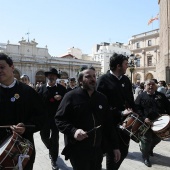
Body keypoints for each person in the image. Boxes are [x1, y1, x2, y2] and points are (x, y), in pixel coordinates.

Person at [55, 65, 121, 170]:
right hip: (78, 150)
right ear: (80, 80)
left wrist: (115, 146)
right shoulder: (70, 96)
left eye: (94, 76)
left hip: (97, 150)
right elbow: (59, 119)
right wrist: (74, 131)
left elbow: (109, 124)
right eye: (88, 76)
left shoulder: (102, 98)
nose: (92, 79)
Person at [0, 53, 47, 170]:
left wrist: (26, 127)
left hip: (22, 150)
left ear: (12, 67)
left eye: (2, 67)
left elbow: (42, 117)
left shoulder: (28, 92)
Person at [96, 53, 136, 170]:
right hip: (110, 124)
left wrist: (135, 111)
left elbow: (130, 99)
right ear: (118, 66)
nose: (127, 66)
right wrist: (119, 112)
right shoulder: (103, 80)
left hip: (126, 123)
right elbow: (100, 105)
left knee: (123, 152)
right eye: (125, 64)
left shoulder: (126, 80)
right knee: (113, 153)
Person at [135, 79, 170, 167]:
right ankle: (145, 156)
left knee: (158, 139)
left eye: (152, 84)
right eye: (148, 84)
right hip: (146, 122)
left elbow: (168, 107)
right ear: (145, 86)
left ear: (155, 86)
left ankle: (149, 149)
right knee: (147, 140)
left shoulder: (161, 96)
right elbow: (137, 109)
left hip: (159, 123)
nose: (151, 86)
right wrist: (144, 118)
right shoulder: (141, 96)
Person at [38, 67, 67, 170]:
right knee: (43, 136)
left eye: (53, 75)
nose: (51, 77)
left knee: (55, 139)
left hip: (56, 119)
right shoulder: (41, 88)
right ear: (47, 76)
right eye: (50, 75)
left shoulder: (62, 89)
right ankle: (51, 149)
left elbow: (67, 102)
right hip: (44, 118)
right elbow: (38, 103)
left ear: (56, 77)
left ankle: (54, 159)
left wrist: (61, 98)